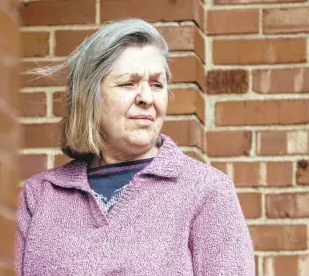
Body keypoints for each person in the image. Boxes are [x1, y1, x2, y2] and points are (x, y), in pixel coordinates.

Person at [16, 19, 255, 276]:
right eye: (128, 83)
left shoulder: (206, 190)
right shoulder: (39, 197)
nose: (146, 98)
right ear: (89, 97)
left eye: (156, 84)